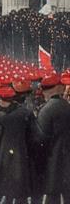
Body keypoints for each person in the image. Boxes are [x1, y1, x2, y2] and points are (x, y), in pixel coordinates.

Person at [0, 85, 35, 204]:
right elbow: (32, 134)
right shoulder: (25, 112)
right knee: (19, 187)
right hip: (21, 152)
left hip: (2, 153)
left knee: (1, 185)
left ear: (0, 99)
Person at [36, 73, 70, 202]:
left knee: (50, 194)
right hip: (66, 156)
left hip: (52, 158)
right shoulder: (67, 106)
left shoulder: (46, 110)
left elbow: (40, 138)